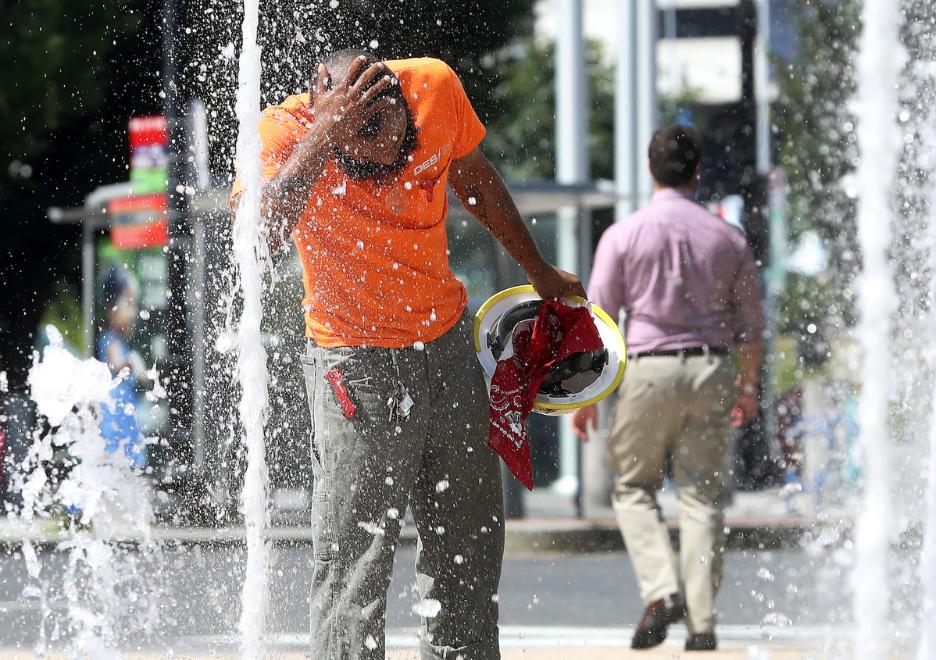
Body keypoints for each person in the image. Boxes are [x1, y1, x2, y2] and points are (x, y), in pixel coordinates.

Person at [231, 50, 583, 660]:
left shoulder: (436, 87)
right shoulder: (283, 134)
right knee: (354, 563)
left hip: (445, 348)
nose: (389, 172)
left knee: (468, 549)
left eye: (398, 150)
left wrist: (539, 269)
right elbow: (255, 244)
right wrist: (321, 139)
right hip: (354, 370)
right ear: (327, 118)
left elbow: (475, 179)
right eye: (364, 161)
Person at [571, 124, 765, 652]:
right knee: (702, 496)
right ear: (698, 171)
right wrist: (747, 385)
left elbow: (600, 321)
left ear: (649, 170)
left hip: (647, 370)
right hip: (711, 368)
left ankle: (662, 591)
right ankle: (701, 625)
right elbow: (751, 326)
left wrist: (587, 396)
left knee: (635, 488)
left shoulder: (624, 235)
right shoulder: (728, 238)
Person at [95, 266, 148, 469]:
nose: (134, 312)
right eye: (129, 303)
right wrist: (132, 362)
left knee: (125, 468)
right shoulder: (111, 341)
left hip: (124, 416)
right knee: (118, 464)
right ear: (111, 309)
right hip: (115, 418)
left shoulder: (119, 343)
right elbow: (116, 365)